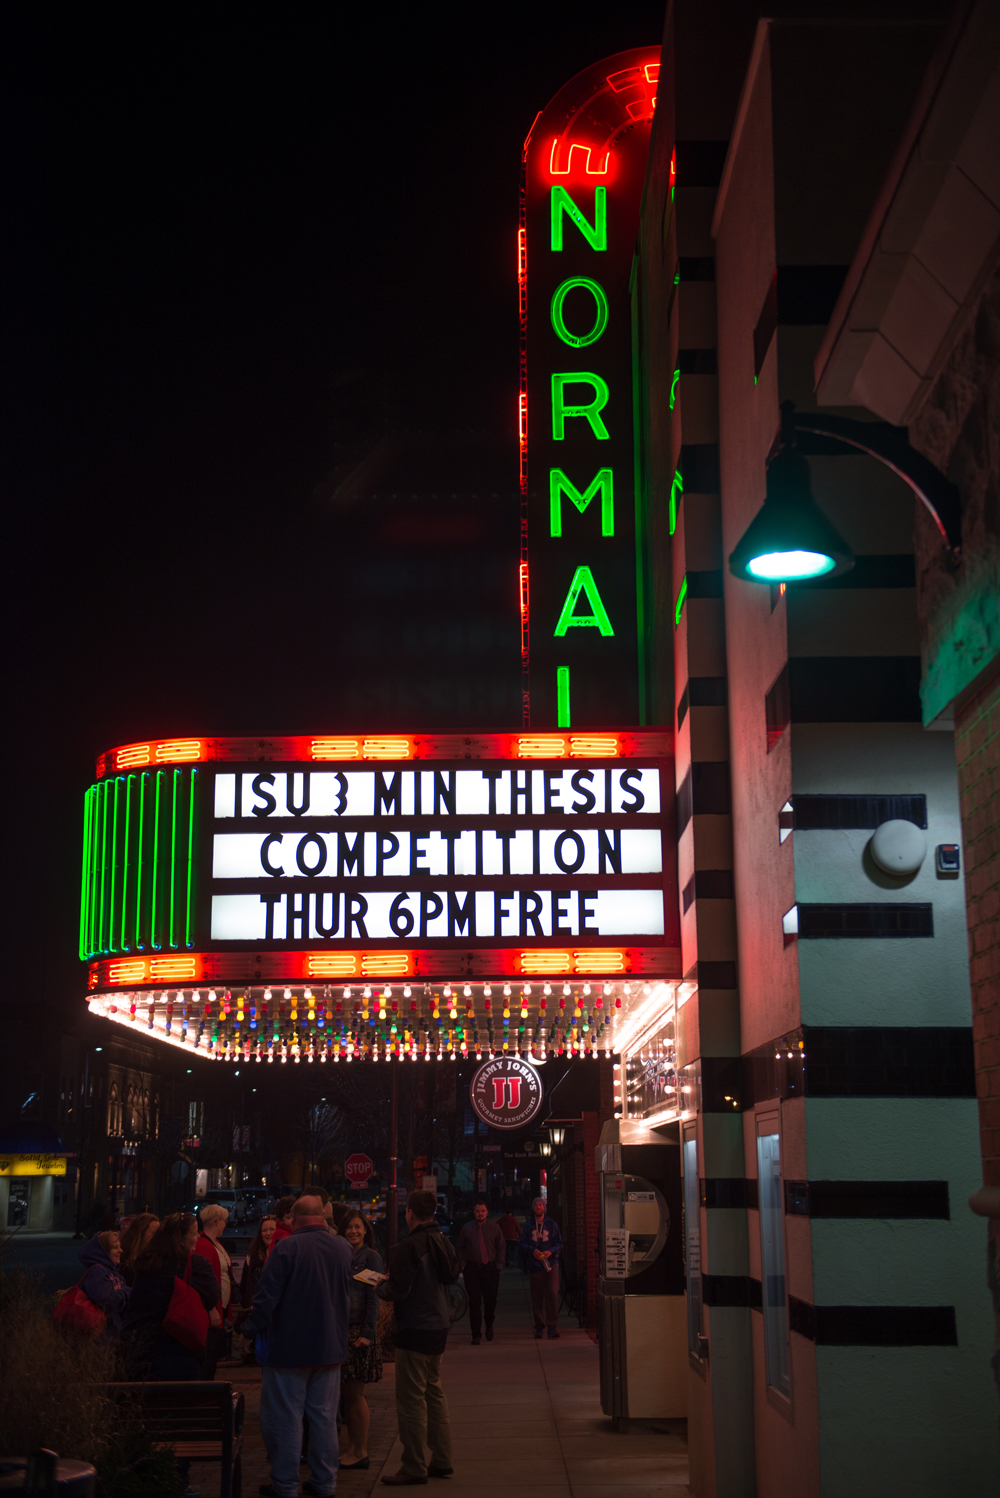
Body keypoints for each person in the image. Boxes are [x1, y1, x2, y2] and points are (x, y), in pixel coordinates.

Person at [242, 1193, 353, 1498]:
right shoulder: (343, 1247)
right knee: (324, 1417)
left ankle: (286, 1484)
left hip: (287, 1350)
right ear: (322, 1216)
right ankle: (324, 1482)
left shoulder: (285, 1248)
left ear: (293, 1219)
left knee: (286, 1418)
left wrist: (247, 1332)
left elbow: (266, 1300)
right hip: (329, 1348)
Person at [377, 1188, 460, 1487]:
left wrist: (379, 1286)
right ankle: (442, 1457)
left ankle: (413, 1464)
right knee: (433, 1392)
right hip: (438, 1325)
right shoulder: (442, 1240)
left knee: (411, 1400)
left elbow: (398, 1289)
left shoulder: (410, 1246)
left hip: (415, 1327)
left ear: (409, 1212)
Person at [122, 1211, 220, 1379]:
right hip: (180, 1350)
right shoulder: (194, 1265)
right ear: (180, 1239)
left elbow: (136, 1303)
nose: (197, 1237)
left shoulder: (146, 1262)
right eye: (194, 1233)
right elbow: (214, 1295)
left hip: (143, 1348)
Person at [339, 1211, 384, 1471]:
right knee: (348, 1395)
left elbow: (373, 1299)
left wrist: (368, 1333)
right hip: (343, 1331)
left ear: (365, 1230)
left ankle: (361, 1451)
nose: (353, 1231)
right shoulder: (343, 1256)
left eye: (357, 1227)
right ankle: (353, 1448)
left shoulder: (371, 1257)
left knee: (356, 1394)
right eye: (349, 1227)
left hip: (359, 1333)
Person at [455, 1202, 504, 1345]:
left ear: (487, 1212)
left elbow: (501, 1246)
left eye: (482, 1211)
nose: (480, 1214)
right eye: (477, 1211)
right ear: (474, 1212)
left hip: (490, 1268)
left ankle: (489, 1324)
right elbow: (459, 1248)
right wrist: (463, 1265)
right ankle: (475, 1333)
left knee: (490, 1301)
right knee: (474, 1302)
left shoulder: (494, 1228)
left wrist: (499, 1265)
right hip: (472, 1268)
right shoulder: (467, 1228)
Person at [193, 1204, 232, 1378]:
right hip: (211, 1313)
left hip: (217, 1310)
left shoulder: (215, 1243)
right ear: (217, 1222)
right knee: (207, 1361)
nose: (226, 1224)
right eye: (225, 1221)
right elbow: (202, 1281)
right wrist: (211, 1308)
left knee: (212, 1359)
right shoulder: (203, 1244)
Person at [234, 1215, 276, 1364]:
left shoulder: (282, 1255)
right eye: (264, 1230)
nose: (268, 1233)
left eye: (272, 1229)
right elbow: (245, 1283)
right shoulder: (252, 1256)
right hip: (256, 1309)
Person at [520, 1198, 563, 1340]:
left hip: (551, 1264)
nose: (539, 1207)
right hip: (535, 1265)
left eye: (540, 1204)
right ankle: (539, 1326)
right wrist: (532, 1250)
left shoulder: (551, 1224)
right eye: (536, 1205)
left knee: (552, 1293)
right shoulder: (528, 1225)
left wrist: (551, 1251)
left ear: (544, 1207)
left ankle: (552, 1326)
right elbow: (522, 1244)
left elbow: (559, 1243)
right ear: (533, 1208)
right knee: (537, 1296)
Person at [77, 1229, 130, 1338]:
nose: (121, 1251)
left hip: (113, 1333)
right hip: (101, 1335)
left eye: (120, 1246)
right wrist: (129, 1291)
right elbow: (107, 1302)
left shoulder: (116, 1274)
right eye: (115, 1247)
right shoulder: (97, 1272)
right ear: (103, 1251)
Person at [118, 1213, 160, 1287]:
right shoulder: (122, 1255)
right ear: (141, 1232)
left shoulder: (157, 1257)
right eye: (153, 1233)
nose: (157, 1237)